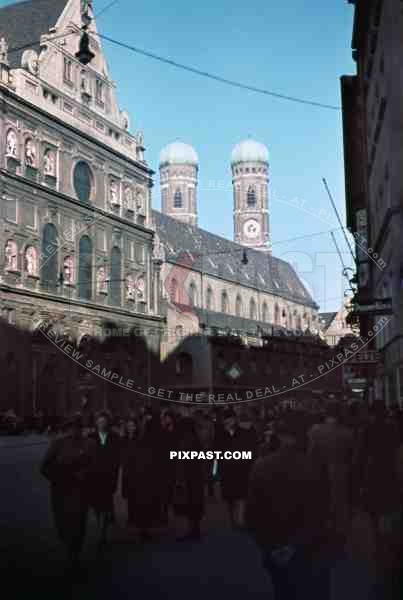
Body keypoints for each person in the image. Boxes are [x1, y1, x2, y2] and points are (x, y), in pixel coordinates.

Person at [245, 420, 330, 600]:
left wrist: (268, 545)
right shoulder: (315, 466)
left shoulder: (261, 466)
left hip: (274, 542)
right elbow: (322, 510)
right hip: (308, 544)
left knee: (282, 590)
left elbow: (252, 513)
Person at [40, 414, 96, 570]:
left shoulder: (89, 444)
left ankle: (74, 554)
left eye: (78, 427)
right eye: (71, 427)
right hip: (61, 490)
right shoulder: (57, 444)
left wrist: (86, 475)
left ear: (81, 428)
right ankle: (69, 547)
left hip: (80, 491)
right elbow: (45, 467)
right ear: (67, 428)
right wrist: (60, 477)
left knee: (78, 523)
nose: (74, 431)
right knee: (63, 523)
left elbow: (94, 465)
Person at [218, 408, 257, 528]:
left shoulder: (242, 433)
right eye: (226, 420)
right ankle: (235, 520)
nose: (228, 422)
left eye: (229, 419)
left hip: (239, 468)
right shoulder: (221, 434)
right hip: (230, 469)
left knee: (238, 496)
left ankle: (238, 520)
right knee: (232, 497)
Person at [89, 411, 121, 546]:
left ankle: (102, 533)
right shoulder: (91, 437)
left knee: (106, 502)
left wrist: (114, 472)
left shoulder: (114, 437)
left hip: (108, 475)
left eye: (104, 421)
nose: (102, 424)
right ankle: (102, 522)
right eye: (99, 421)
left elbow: (117, 457)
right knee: (96, 503)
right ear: (96, 423)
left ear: (108, 422)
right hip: (95, 476)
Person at [174, 417, 205, 541]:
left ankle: (192, 530)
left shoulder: (185, 440)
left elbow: (182, 460)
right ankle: (195, 529)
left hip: (188, 476)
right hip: (196, 476)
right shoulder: (195, 439)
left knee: (190, 502)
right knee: (195, 502)